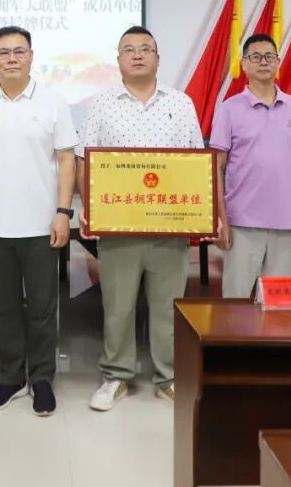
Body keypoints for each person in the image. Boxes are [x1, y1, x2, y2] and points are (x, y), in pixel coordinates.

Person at [76, 26, 204, 410]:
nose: (137, 55)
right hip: (119, 224)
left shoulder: (181, 103)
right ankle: (117, 376)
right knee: (118, 306)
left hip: (170, 223)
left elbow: (196, 161)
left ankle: (169, 377)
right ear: (118, 60)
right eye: (128, 49)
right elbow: (85, 160)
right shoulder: (101, 104)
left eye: (145, 49)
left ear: (157, 59)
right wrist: (89, 207)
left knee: (168, 306)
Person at [0, 26, 76, 417]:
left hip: (42, 224)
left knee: (42, 308)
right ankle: (11, 377)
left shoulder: (53, 101)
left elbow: (66, 160)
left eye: (19, 51)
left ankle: (42, 378)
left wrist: (63, 212)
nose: (11, 58)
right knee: (4, 306)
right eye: (4, 52)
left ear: (31, 56)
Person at [211, 33, 291, 299]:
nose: (263, 62)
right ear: (244, 64)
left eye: (269, 56)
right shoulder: (229, 109)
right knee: (235, 302)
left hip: (285, 222)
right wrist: (221, 219)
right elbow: (216, 167)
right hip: (241, 222)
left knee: (279, 303)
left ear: (278, 62)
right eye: (255, 57)